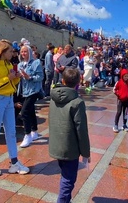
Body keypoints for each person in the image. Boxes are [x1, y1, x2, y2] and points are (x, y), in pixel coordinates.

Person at [0, 39, 29, 177]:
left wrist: (16, 77)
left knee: (11, 132)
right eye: (9, 51)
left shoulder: (7, 64)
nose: (12, 53)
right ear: (2, 52)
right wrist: (8, 78)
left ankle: (14, 162)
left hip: (8, 99)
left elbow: (10, 83)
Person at [49, 68, 91, 203]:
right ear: (78, 82)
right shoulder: (77, 102)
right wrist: (86, 152)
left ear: (62, 80)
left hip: (56, 144)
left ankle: (66, 200)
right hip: (70, 148)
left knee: (65, 174)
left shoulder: (53, 98)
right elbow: (82, 130)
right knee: (69, 179)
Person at [17, 45, 43, 148]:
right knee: (31, 111)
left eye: (25, 52)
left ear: (30, 52)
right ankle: (34, 132)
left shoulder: (36, 63)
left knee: (24, 112)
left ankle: (27, 135)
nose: (23, 54)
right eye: (22, 52)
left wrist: (30, 77)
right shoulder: (20, 65)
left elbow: (40, 77)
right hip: (24, 91)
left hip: (33, 91)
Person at [113, 68, 128, 133]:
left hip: (126, 100)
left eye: (127, 76)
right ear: (122, 76)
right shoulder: (119, 82)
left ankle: (124, 125)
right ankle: (115, 125)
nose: (126, 77)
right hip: (120, 100)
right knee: (119, 112)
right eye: (125, 76)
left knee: (125, 113)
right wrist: (119, 95)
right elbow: (114, 90)